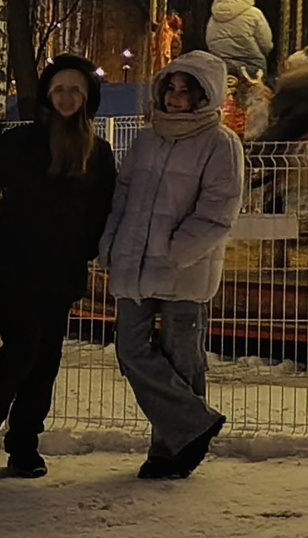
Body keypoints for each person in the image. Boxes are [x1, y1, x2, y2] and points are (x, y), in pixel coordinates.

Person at [0, 54, 118, 478]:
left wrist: (85, 248)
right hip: (15, 261)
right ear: (48, 94)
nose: (66, 97)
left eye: (75, 90)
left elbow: (101, 207)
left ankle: (24, 443)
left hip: (61, 267)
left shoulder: (98, 152)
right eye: (58, 89)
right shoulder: (22, 140)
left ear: (87, 97)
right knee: (22, 346)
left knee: (46, 358)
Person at [98, 51, 242, 478]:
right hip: (135, 261)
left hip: (184, 267)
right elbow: (123, 194)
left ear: (203, 96)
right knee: (130, 349)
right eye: (170, 89)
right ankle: (193, 425)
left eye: (185, 91)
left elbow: (218, 208)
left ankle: (166, 450)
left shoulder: (220, 143)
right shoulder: (148, 138)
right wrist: (112, 242)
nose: (175, 98)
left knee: (182, 356)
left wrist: (176, 250)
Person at [203, 0, 273, 85]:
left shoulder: (213, 17)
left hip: (221, 68)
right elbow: (266, 45)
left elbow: (209, 42)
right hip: (252, 67)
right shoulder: (254, 13)